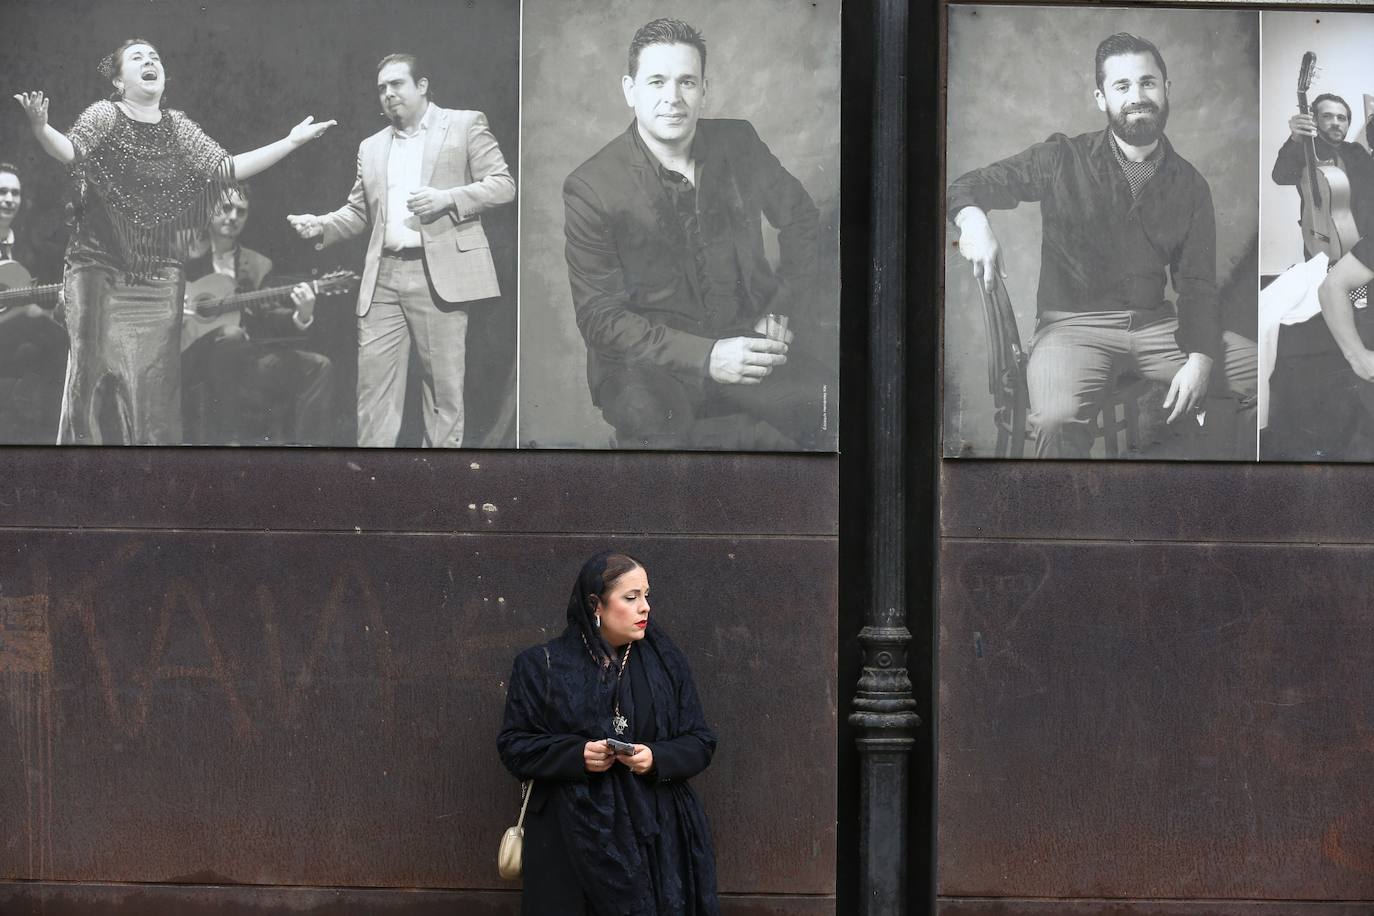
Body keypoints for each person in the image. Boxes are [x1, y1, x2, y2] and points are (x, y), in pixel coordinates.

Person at [947, 32, 1258, 459]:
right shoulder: (1062, 158)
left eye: (1148, 83)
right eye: (1122, 86)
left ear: (1166, 90)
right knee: (1057, 420)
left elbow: (1198, 286)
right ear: (1101, 98)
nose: (1138, 96)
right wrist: (972, 219)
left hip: (1158, 330)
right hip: (1071, 332)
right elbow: (968, 185)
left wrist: (1202, 359)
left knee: (1264, 373)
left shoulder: (1190, 184)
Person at [13, 38, 335, 445]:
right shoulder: (104, 114)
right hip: (98, 267)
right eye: (137, 58)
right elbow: (72, 151)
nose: (150, 61)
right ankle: (87, 474)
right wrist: (42, 129)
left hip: (158, 277)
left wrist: (291, 142)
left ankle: (147, 480)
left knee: (153, 388)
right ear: (118, 80)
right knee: (91, 375)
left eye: (155, 57)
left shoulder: (180, 128)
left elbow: (228, 168)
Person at [563, 18, 833, 450]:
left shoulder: (738, 141)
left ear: (704, 89)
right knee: (677, 455)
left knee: (829, 411)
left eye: (687, 81)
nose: (673, 98)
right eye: (656, 81)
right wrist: (708, 357)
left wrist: (782, 312)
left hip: (749, 339)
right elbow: (600, 317)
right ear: (630, 90)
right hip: (649, 368)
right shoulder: (591, 186)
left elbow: (801, 217)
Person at [288, 52, 515, 448]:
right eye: (381, 88)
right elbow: (360, 213)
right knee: (373, 392)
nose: (388, 94)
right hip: (384, 278)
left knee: (442, 392)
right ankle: (376, 485)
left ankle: (438, 485)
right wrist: (322, 224)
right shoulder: (371, 146)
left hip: (438, 274)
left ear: (422, 86)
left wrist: (447, 198)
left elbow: (502, 185)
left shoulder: (463, 124)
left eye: (397, 84)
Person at [497, 551, 720, 916]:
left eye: (647, 596)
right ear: (595, 605)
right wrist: (577, 755)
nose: (644, 607)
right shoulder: (541, 665)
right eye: (631, 598)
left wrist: (656, 758)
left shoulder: (666, 663)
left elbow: (700, 741)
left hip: (655, 838)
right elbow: (514, 746)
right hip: (569, 837)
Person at [180, 185, 335, 445]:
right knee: (231, 334)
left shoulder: (258, 264)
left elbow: (268, 314)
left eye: (241, 211)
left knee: (319, 366)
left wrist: (301, 315)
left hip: (243, 358)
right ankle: (229, 439)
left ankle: (310, 454)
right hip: (189, 356)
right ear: (209, 210)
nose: (232, 216)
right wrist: (172, 305)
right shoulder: (182, 248)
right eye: (226, 208)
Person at [0, 162, 68, 443]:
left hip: (12, 342)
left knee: (46, 326)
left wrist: (59, 301)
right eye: (2, 191)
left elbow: (35, 296)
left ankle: (49, 434)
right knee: (32, 314)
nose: (8, 199)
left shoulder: (27, 246)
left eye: (15, 193)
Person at [1271, 92, 1374, 260]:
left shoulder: (1357, 152)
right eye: (1327, 116)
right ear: (1315, 120)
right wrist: (1295, 138)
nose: (1335, 123)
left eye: (1342, 118)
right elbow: (1280, 177)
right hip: (1317, 236)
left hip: (1358, 242)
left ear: (1348, 123)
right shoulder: (1303, 150)